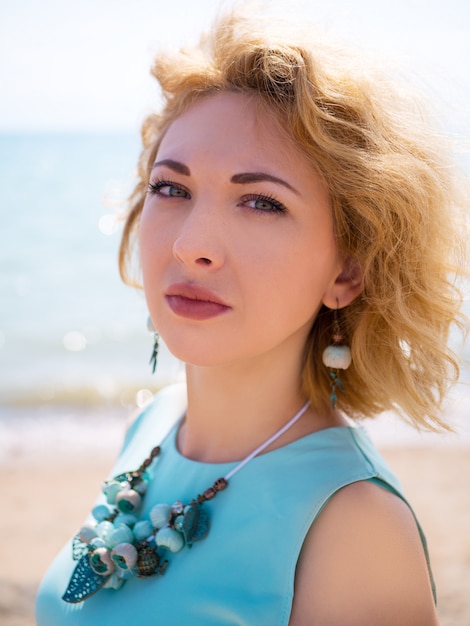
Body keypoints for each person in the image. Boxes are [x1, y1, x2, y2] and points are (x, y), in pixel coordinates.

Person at [36, 9, 467, 625]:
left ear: (347, 272)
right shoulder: (155, 426)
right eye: (171, 188)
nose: (191, 244)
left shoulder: (355, 526)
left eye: (260, 202)